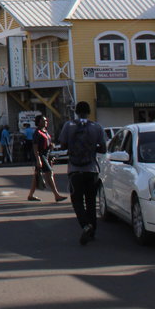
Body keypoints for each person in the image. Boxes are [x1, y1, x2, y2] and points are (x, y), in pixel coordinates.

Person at [58, 101, 107, 245]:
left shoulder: (68, 126)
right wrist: (91, 148)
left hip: (75, 170)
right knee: (91, 202)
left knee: (77, 201)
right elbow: (103, 149)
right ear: (89, 112)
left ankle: (86, 225)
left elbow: (63, 145)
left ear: (76, 112)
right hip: (92, 170)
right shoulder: (96, 127)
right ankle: (92, 231)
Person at [26, 114, 66, 203]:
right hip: (41, 156)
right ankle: (56, 195)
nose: (46, 122)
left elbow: (47, 143)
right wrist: (38, 159)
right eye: (43, 120)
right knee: (49, 173)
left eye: (46, 120)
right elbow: (35, 147)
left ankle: (30, 195)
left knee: (37, 175)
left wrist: (51, 146)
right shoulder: (37, 133)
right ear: (38, 122)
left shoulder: (45, 132)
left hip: (46, 155)